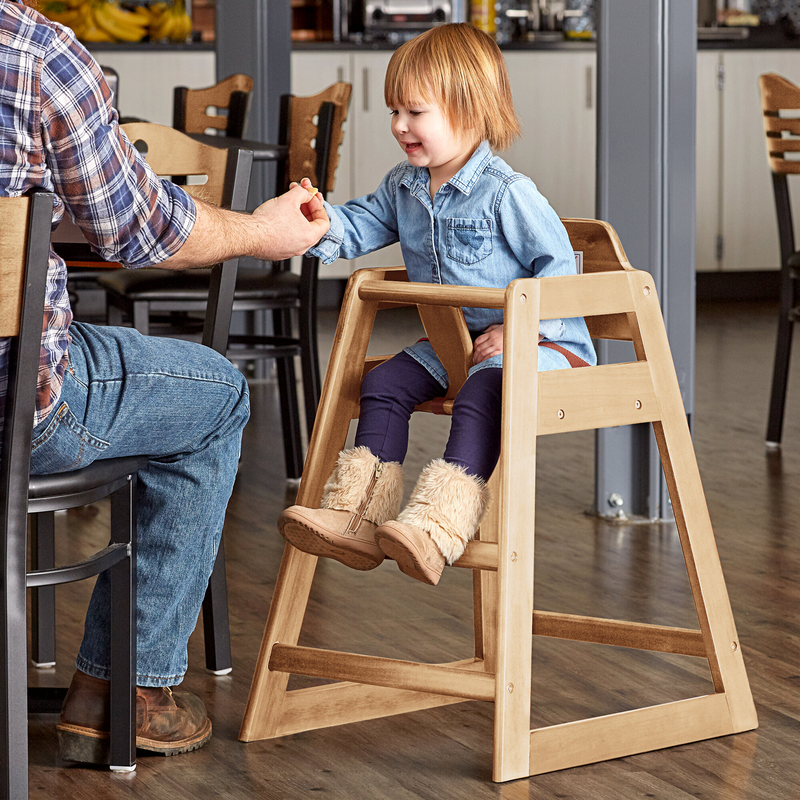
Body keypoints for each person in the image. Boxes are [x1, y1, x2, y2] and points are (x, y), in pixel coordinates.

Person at [0, 0, 328, 763]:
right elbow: (139, 228)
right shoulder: (38, 55)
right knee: (217, 396)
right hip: (21, 408)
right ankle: (126, 691)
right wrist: (263, 230)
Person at [278, 22, 596, 586]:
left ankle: (438, 528)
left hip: (540, 347)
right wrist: (322, 222)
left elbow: (561, 267)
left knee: (484, 390)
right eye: (394, 111)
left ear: (470, 110)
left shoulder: (506, 192)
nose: (400, 126)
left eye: (415, 112)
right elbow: (363, 225)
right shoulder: (405, 185)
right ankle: (357, 513)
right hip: (456, 345)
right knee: (381, 384)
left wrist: (523, 331)